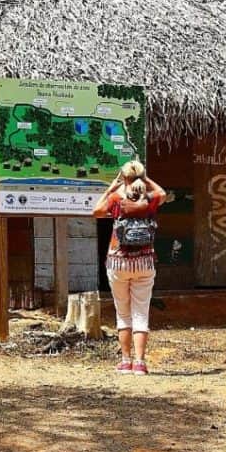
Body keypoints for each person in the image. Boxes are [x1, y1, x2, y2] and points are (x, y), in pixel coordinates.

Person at [92, 160, 166, 375]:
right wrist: (144, 179)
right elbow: (161, 192)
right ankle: (140, 363)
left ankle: (125, 361)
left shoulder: (116, 198)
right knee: (141, 314)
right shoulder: (150, 199)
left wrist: (112, 187)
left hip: (118, 261)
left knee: (123, 314)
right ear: (141, 177)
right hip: (144, 262)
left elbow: (96, 211)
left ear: (124, 177)